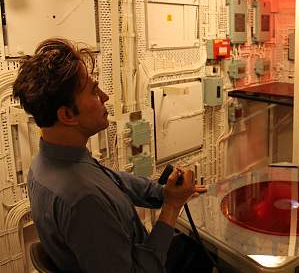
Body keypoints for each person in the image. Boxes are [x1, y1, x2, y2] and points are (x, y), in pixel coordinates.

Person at [13, 38, 210, 272]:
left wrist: (162, 193)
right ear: (67, 115)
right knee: (205, 256)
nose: (105, 97)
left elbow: (113, 180)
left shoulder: (49, 162)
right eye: (94, 92)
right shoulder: (83, 200)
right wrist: (171, 208)